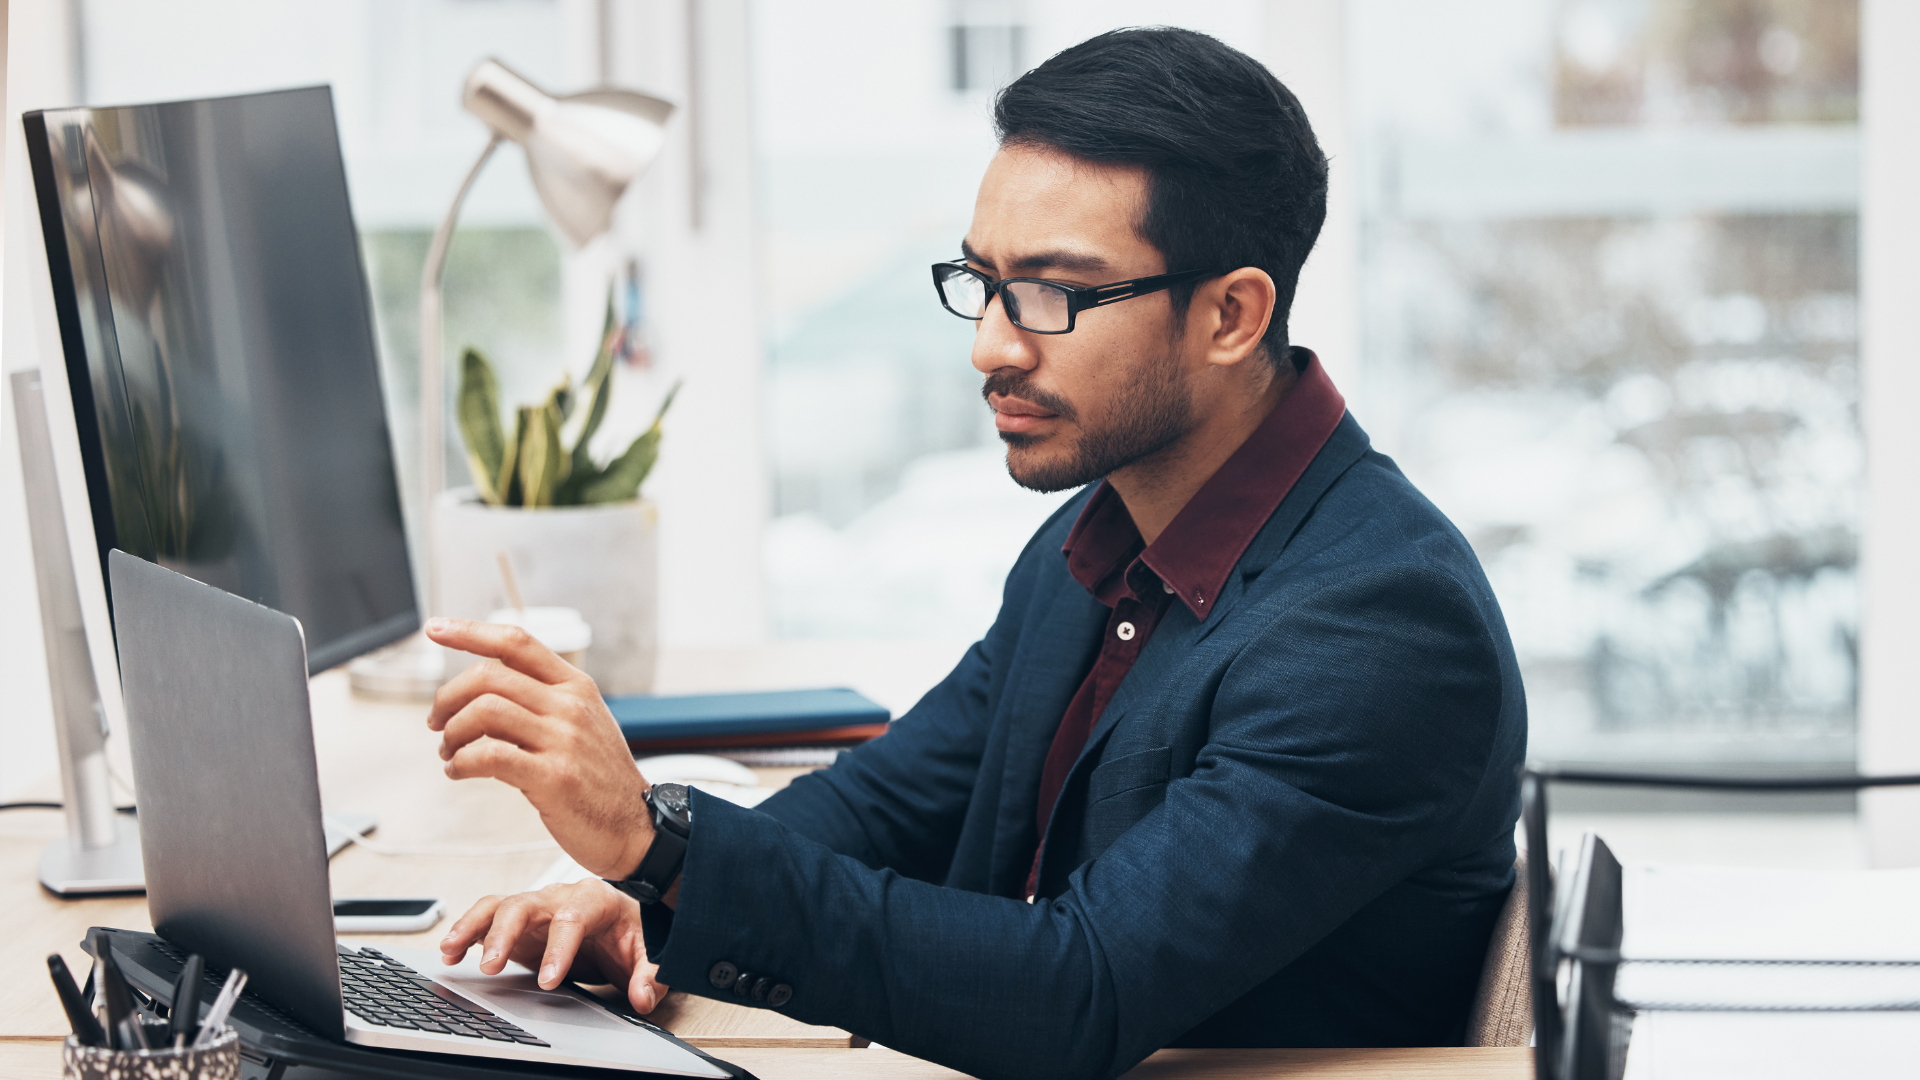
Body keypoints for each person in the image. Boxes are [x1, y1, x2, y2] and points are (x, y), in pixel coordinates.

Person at [426, 26, 1526, 1080]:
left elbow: (1077, 990)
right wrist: (650, 884)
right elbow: (892, 804)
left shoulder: (1381, 629)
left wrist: (663, 852)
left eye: (1052, 293)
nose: (992, 346)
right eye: (982, 283)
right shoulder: (1097, 538)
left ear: (1233, 316)